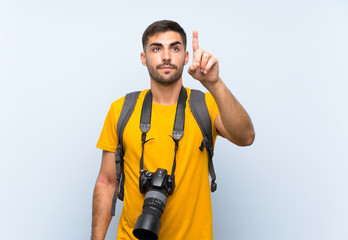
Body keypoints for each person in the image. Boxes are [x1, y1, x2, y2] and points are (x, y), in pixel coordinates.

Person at [91, 20, 255, 240]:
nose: (166, 56)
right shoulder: (121, 109)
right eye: (156, 48)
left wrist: (214, 84)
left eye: (175, 48)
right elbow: (107, 182)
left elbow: (246, 137)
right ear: (144, 58)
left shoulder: (205, 105)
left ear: (186, 57)